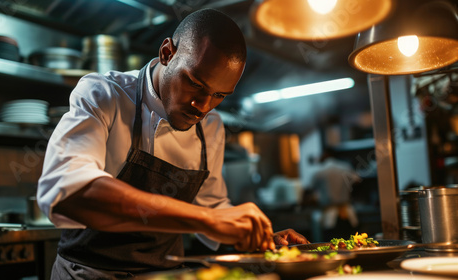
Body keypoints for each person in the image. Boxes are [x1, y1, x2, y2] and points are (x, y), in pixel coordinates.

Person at [38, 8, 308, 279]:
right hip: (88, 273)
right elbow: (67, 190)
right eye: (194, 83)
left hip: (165, 274)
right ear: (167, 53)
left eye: (219, 95)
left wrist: (259, 237)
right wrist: (208, 220)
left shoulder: (211, 127)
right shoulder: (104, 94)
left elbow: (211, 207)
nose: (203, 107)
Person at [309, 148, 361, 241]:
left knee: (332, 244)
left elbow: (310, 189)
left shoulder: (320, 171)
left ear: (326, 154)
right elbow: (357, 180)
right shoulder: (345, 167)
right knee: (350, 242)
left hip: (330, 214)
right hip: (347, 212)